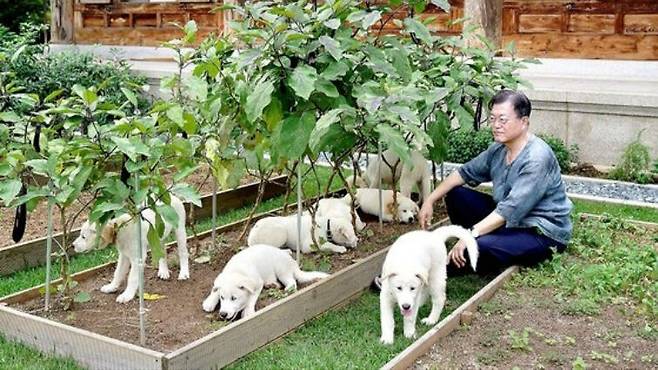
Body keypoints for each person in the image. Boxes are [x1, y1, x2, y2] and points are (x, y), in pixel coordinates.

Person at [419, 90, 572, 275]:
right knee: (457, 195)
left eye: (503, 120)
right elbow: (464, 172)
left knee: (480, 246)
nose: (496, 125)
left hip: (540, 232)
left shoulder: (536, 158)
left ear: (524, 122)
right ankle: (485, 245)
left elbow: (510, 209)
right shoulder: (499, 149)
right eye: (492, 119)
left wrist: (470, 235)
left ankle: (426, 274)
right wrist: (430, 200)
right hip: (508, 223)